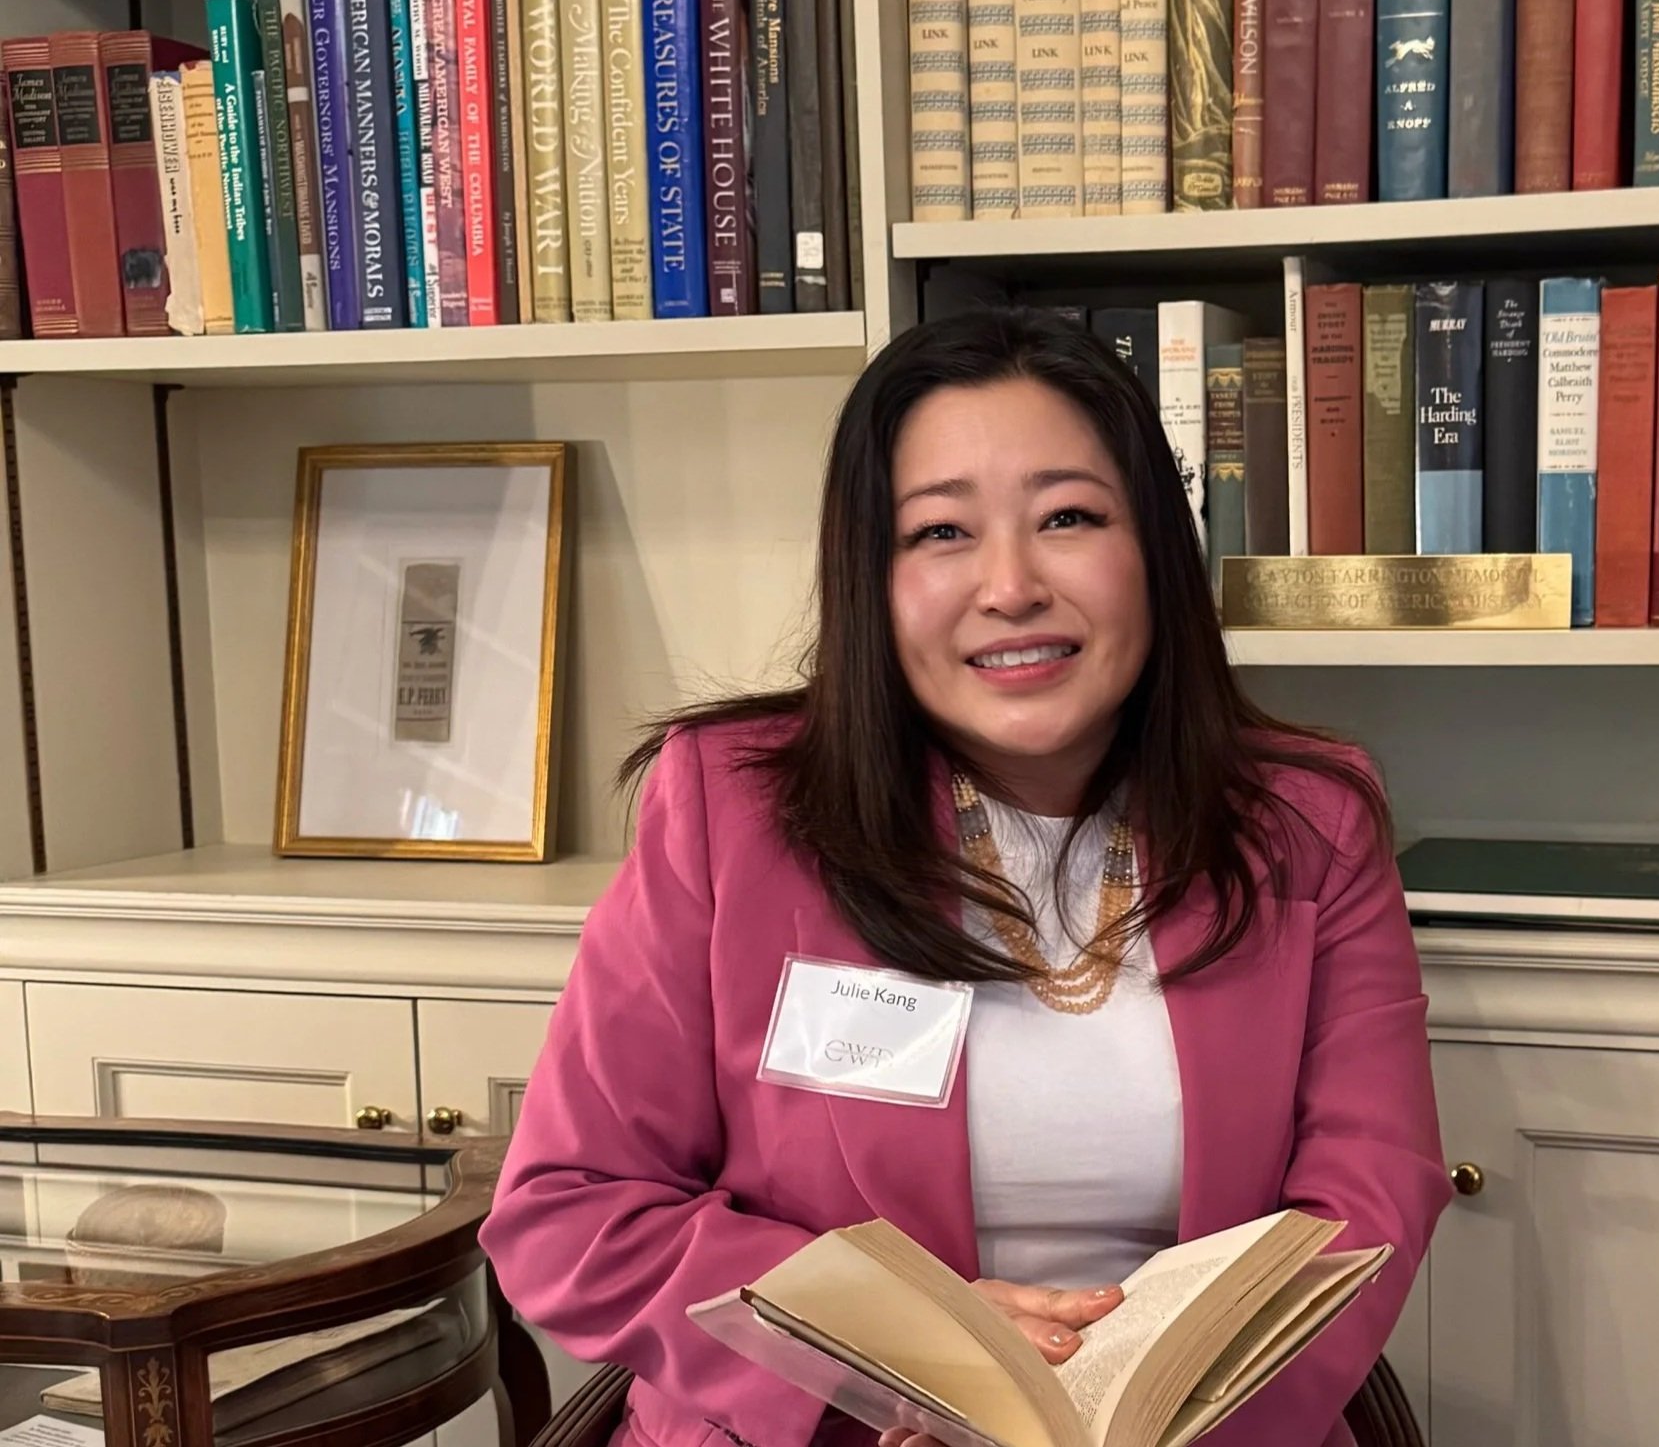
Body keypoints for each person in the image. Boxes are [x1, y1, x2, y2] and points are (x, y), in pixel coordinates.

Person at [480, 308, 1452, 1447]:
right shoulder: (729, 811)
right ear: (872, 577)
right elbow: (572, 1215)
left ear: (1155, 551)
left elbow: (1368, 1201)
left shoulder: (1306, 822)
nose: (1010, 586)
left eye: (1069, 517)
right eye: (941, 532)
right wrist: (906, 1356)